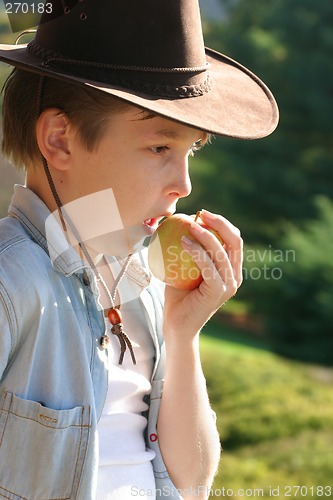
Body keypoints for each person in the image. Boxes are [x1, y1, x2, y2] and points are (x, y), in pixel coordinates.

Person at [0, 1, 278, 499]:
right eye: (159, 149)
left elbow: (191, 483)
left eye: (190, 150)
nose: (185, 185)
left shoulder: (140, 286)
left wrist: (182, 330)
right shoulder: (11, 283)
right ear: (59, 139)